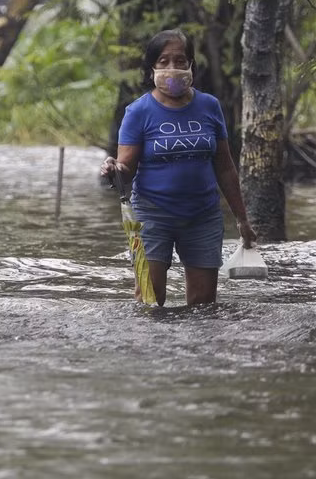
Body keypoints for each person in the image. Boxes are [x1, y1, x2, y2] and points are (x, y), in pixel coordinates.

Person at [100, 29, 256, 306]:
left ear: (191, 66)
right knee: (149, 301)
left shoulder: (210, 106)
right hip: (152, 216)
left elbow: (225, 167)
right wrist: (114, 169)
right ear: (151, 69)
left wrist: (242, 219)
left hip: (203, 217)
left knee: (203, 307)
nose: (173, 68)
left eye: (180, 61)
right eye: (163, 61)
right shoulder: (138, 112)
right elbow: (126, 170)